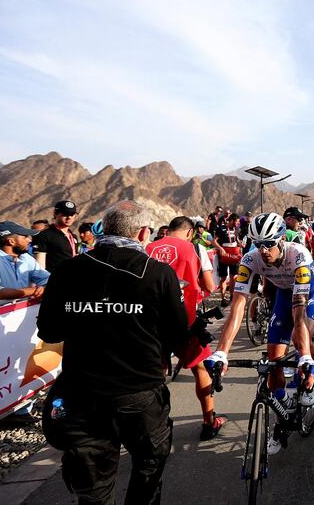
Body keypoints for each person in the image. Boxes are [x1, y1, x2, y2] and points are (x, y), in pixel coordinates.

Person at [37, 200, 189, 505]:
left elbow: (49, 332)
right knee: (148, 469)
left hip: (82, 396)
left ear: (102, 230)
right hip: (140, 393)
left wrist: (88, 315)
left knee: (93, 489)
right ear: (144, 232)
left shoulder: (67, 270)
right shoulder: (158, 273)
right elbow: (176, 336)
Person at [205, 213, 314, 455]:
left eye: (269, 243)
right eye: (258, 244)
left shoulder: (298, 254)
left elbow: (299, 313)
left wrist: (303, 355)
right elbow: (237, 306)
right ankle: (281, 416)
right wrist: (221, 352)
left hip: (309, 293)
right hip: (282, 294)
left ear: (281, 240)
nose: (263, 251)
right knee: (273, 363)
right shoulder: (250, 259)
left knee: (299, 338)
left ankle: (313, 374)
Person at [146, 216, 225, 440]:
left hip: (151, 323)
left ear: (168, 230)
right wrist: (196, 295)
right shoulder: (195, 248)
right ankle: (209, 422)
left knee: (156, 375)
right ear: (189, 232)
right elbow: (210, 286)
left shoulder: (148, 248)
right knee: (200, 368)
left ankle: (155, 426)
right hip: (184, 320)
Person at [0, 221, 49, 304]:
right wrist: (35, 291)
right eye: (25, 237)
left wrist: (44, 287)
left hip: (20, 310)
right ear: (11, 241)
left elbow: (47, 279)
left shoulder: (25, 257)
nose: (29, 240)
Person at [33, 200, 79, 272]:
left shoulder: (73, 236)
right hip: (54, 279)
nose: (69, 217)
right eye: (65, 214)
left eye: (72, 214)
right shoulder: (44, 235)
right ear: (55, 213)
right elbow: (39, 267)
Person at [215, 212, 242, 307]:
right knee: (223, 277)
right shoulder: (220, 228)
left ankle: (231, 296)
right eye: (237, 221)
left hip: (234, 254)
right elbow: (213, 241)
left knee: (233, 276)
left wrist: (240, 244)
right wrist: (220, 248)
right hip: (224, 254)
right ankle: (223, 298)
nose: (238, 223)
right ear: (231, 221)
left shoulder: (238, 229)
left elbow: (236, 239)